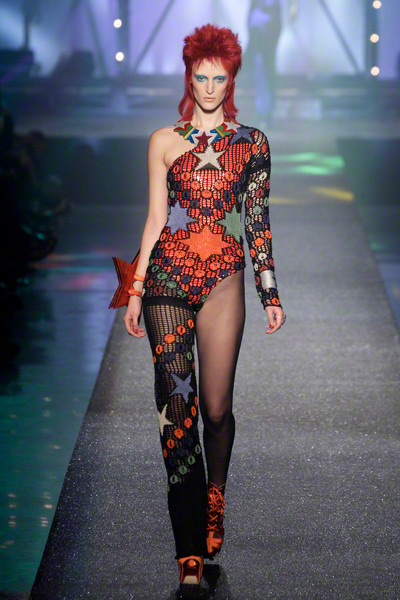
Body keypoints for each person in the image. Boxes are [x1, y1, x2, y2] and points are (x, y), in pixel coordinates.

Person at [123, 23, 286, 587]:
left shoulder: (252, 144)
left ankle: (214, 494)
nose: (210, 87)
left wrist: (269, 292)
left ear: (231, 78)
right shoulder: (163, 141)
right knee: (177, 410)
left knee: (215, 410)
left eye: (219, 78)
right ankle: (188, 549)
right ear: (189, 78)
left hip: (223, 283)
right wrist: (136, 289)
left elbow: (257, 223)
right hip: (167, 281)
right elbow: (155, 219)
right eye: (201, 77)